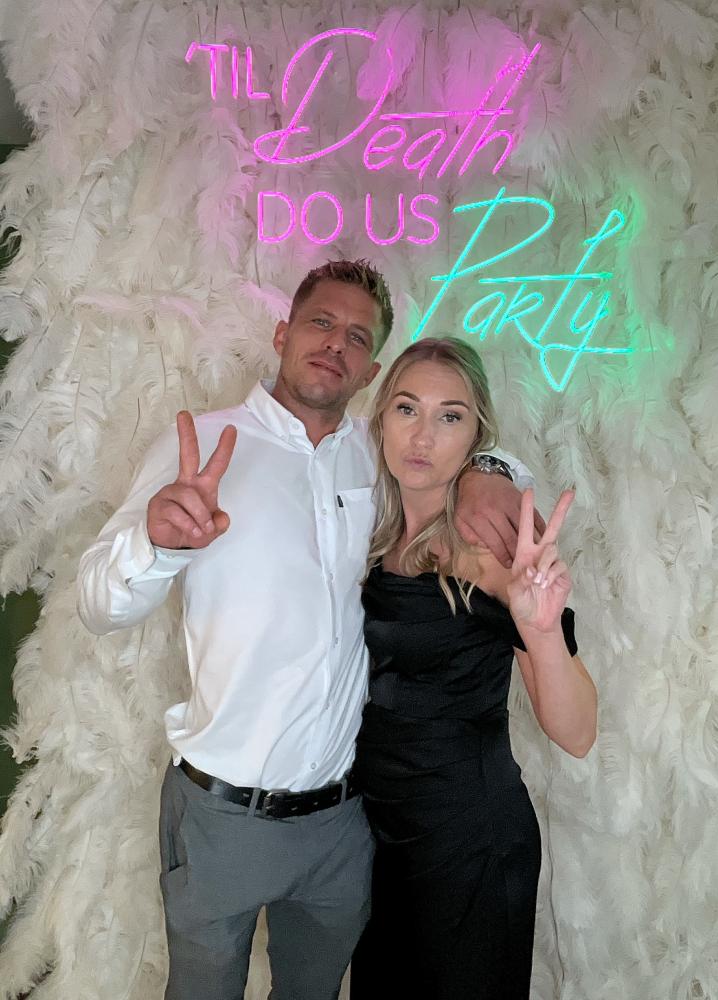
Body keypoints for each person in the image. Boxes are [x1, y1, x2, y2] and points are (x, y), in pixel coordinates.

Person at [76, 261, 542, 1000]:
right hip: (222, 815)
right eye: (321, 322)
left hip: (343, 824)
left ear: (373, 371)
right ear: (283, 333)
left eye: (357, 336)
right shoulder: (203, 444)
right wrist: (156, 543)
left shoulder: (384, 456)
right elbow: (99, 605)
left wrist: (492, 466)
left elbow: (463, 447)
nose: (335, 344)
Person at [349, 337, 597, 1000]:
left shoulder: (487, 556)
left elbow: (577, 733)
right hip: (379, 837)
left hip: (469, 839)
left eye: (450, 416)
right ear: (382, 418)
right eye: (407, 408)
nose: (422, 436)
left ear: (475, 436)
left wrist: (540, 630)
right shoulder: (374, 539)